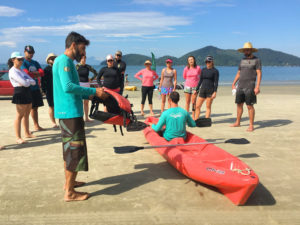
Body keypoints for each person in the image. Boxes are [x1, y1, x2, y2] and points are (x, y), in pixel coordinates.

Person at [53, 31, 108, 201]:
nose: (83, 53)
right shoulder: (65, 62)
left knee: (69, 151)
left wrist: (91, 95)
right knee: (74, 152)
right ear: (73, 45)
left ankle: (70, 182)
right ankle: (69, 193)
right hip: (70, 113)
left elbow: (73, 89)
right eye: (82, 49)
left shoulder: (64, 61)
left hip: (67, 112)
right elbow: (68, 87)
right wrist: (93, 91)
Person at [230, 42, 262, 132]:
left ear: (251, 50)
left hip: (250, 86)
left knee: (249, 106)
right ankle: (237, 122)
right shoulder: (242, 60)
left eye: (247, 50)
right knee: (239, 104)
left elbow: (259, 73)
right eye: (245, 50)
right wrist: (233, 83)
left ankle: (251, 125)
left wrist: (257, 86)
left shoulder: (257, 60)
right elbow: (239, 73)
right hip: (240, 86)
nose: (246, 51)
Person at [8, 52, 36, 144]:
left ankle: (27, 133)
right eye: (19, 59)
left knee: (27, 114)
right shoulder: (12, 71)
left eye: (22, 59)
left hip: (26, 92)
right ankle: (18, 137)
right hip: (19, 92)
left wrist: (27, 81)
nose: (21, 61)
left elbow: (33, 82)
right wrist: (27, 81)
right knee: (19, 116)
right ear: (13, 60)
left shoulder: (21, 71)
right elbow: (25, 83)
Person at [21, 45, 45, 131]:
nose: (31, 54)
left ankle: (36, 125)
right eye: (29, 52)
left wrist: (33, 73)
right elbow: (26, 73)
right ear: (25, 52)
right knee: (26, 109)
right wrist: (36, 73)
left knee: (35, 108)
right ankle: (26, 130)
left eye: (32, 53)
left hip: (35, 88)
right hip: (27, 89)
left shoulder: (35, 62)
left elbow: (42, 73)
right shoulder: (22, 62)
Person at [76, 55, 98, 122]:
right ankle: (79, 118)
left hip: (87, 85)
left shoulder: (88, 66)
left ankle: (86, 118)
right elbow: (71, 74)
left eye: (84, 58)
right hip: (79, 85)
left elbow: (96, 73)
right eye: (82, 58)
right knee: (79, 102)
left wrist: (91, 79)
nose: (83, 59)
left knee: (86, 102)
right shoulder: (76, 66)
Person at [42, 53, 58, 128]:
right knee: (51, 106)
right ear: (48, 60)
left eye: (54, 58)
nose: (53, 59)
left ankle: (61, 120)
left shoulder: (58, 68)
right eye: (51, 58)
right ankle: (53, 122)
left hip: (58, 90)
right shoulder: (46, 69)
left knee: (58, 105)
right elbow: (43, 80)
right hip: (49, 90)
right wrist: (43, 90)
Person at [183, 55, 201, 120]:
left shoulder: (198, 68)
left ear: (194, 60)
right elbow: (184, 77)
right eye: (189, 60)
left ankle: (193, 116)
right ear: (188, 61)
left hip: (195, 87)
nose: (191, 61)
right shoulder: (186, 68)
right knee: (187, 102)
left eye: (192, 59)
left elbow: (200, 76)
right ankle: (186, 116)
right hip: (187, 86)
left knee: (194, 102)